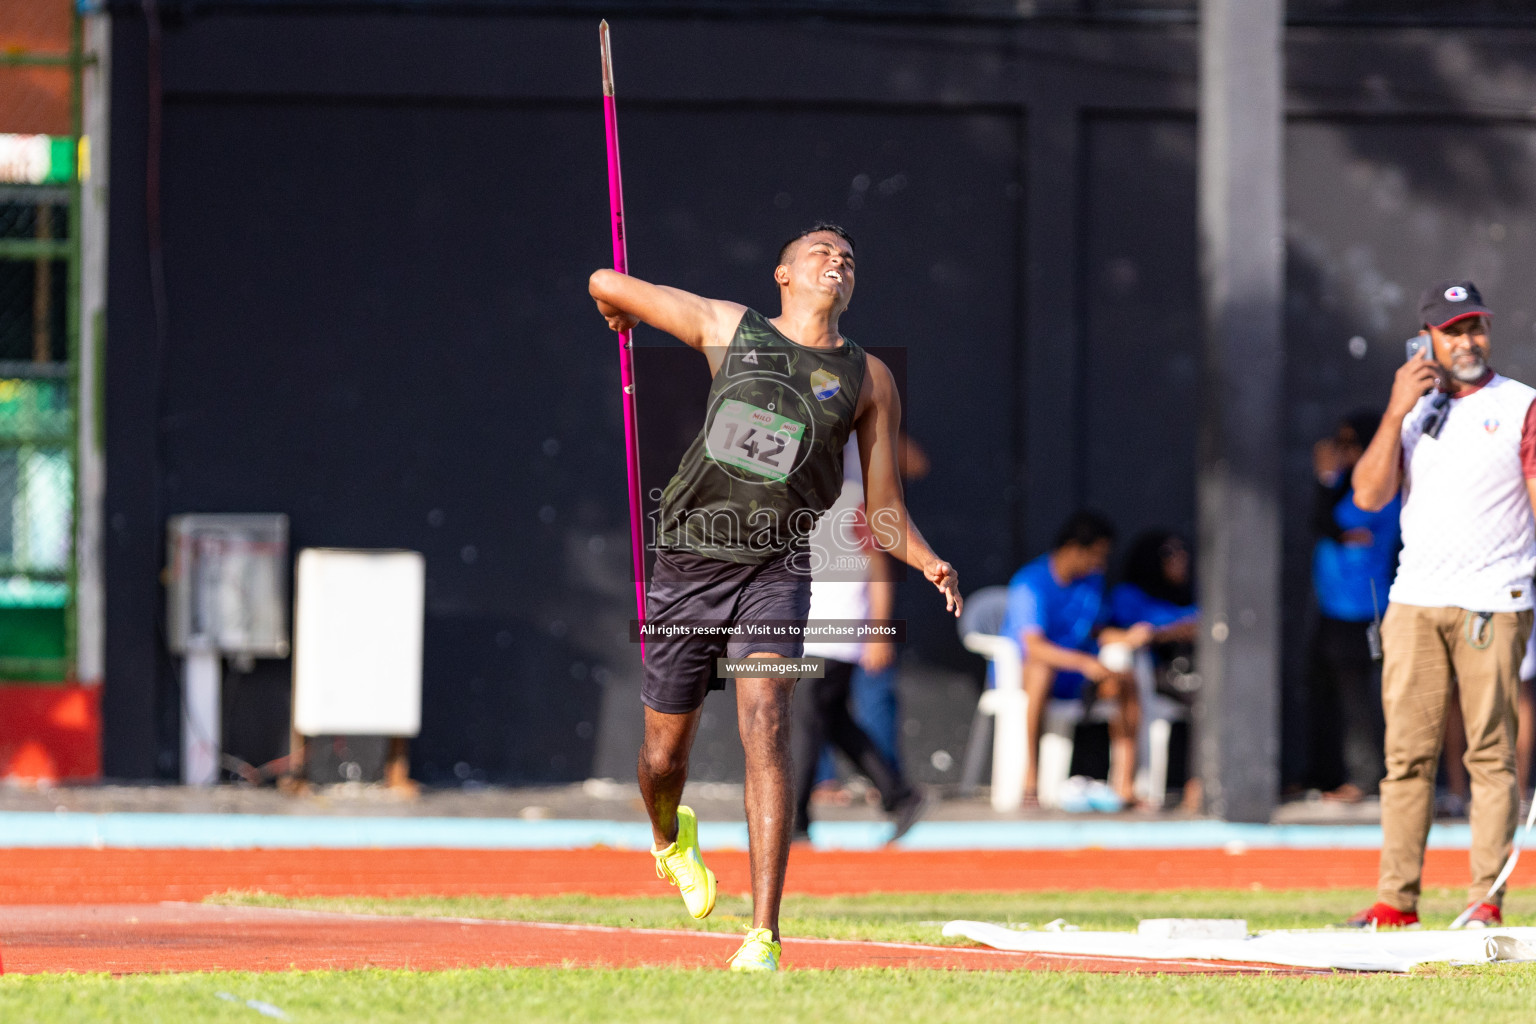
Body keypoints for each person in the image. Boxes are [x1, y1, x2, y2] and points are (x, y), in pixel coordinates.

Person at [589, 223, 962, 971]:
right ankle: (670, 839)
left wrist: (925, 558)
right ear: (784, 275)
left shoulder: (870, 379)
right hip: (688, 568)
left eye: (849, 257)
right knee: (664, 757)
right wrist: (619, 310)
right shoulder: (731, 329)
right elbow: (606, 279)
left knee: (767, 720)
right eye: (822, 252)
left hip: (779, 569)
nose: (838, 261)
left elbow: (882, 508)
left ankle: (763, 934)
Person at [1347, 280, 1536, 929]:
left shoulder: (1519, 406)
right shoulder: (1414, 409)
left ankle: (1485, 900)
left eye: (1475, 328)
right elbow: (1369, 497)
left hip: (1493, 597)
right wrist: (1395, 409)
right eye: (1453, 330)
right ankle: (1395, 901)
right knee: (1406, 758)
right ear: (1426, 338)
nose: (1467, 341)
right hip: (1414, 599)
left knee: (1489, 756)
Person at [791, 439, 925, 843]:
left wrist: (878, 631)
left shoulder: (853, 500)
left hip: (836, 631)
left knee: (805, 722)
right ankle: (900, 796)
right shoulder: (803, 498)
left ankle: (794, 823)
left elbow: (879, 565)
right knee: (831, 721)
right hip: (810, 628)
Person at [1001, 510, 1151, 807]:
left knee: (1125, 679)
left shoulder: (1092, 582)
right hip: (1029, 678)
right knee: (1041, 670)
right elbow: (1034, 648)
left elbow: (1094, 631)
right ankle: (1030, 778)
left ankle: (1125, 786)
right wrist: (1084, 663)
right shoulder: (1030, 583)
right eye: (1096, 555)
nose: (1102, 564)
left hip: (1077, 679)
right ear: (1072, 548)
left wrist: (1125, 637)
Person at [1304, 412, 1401, 804]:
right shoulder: (1342, 484)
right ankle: (1324, 775)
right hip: (1332, 605)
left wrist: (1327, 481)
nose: (1344, 453)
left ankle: (1365, 778)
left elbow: (1339, 522)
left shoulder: (1381, 487)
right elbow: (1324, 524)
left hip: (1364, 606)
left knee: (1358, 695)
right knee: (1322, 689)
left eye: (1351, 445)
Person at [1109, 530, 1200, 808]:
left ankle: (1201, 786)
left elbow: (1205, 622)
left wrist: (1167, 631)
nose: (1181, 559)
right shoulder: (1128, 594)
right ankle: (1130, 785)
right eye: (1171, 553)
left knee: (1220, 695)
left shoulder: (1187, 594)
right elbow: (1127, 631)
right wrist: (1164, 632)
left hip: (1191, 674)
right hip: (1150, 677)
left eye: (1183, 551)